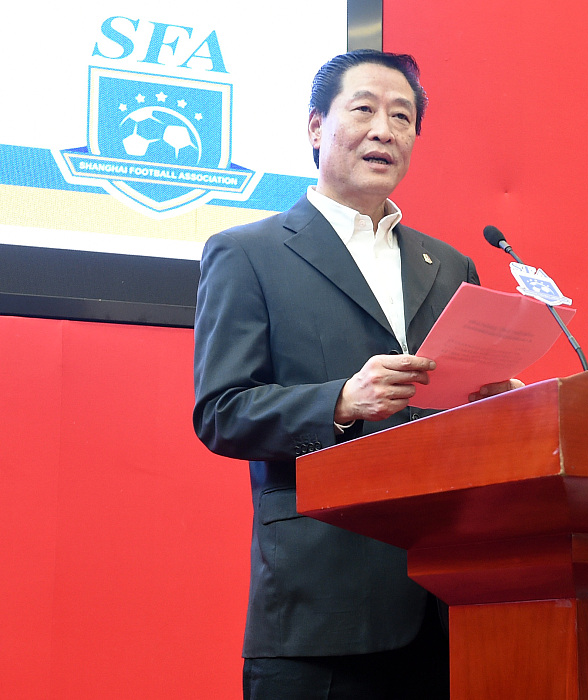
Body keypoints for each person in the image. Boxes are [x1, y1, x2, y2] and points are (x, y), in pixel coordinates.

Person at [193, 49, 519, 700]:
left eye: (402, 117)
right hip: (320, 607)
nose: (384, 130)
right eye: (364, 109)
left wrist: (495, 404)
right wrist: (341, 400)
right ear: (317, 126)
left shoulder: (450, 266)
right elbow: (221, 412)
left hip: (440, 601)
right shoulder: (249, 253)